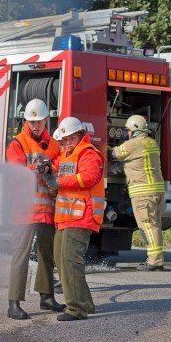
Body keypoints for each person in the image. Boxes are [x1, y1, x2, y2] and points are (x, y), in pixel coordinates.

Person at [5, 98, 65, 319]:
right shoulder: (18, 143)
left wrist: (51, 168)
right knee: (20, 255)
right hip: (24, 210)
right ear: (26, 121)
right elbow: (16, 174)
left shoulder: (55, 145)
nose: (36, 126)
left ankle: (46, 297)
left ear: (46, 120)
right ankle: (13, 303)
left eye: (39, 121)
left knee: (46, 255)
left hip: (46, 210)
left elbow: (60, 165)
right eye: (32, 122)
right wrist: (36, 168)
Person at [44, 117, 105, 321]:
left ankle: (76, 309)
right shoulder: (65, 154)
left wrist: (59, 181)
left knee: (70, 260)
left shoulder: (88, 153)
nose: (67, 142)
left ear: (80, 135)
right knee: (61, 259)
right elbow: (56, 168)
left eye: (71, 138)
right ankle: (85, 303)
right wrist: (47, 169)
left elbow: (89, 177)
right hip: (66, 217)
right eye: (65, 140)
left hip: (82, 216)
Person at [111, 115, 166, 271]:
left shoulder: (132, 145)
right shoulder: (152, 143)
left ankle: (155, 262)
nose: (127, 133)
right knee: (155, 226)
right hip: (157, 191)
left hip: (143, 194)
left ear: (134, 130)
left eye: (128, 131)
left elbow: (114, 154)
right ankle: (157, 259)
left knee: (147, 226)